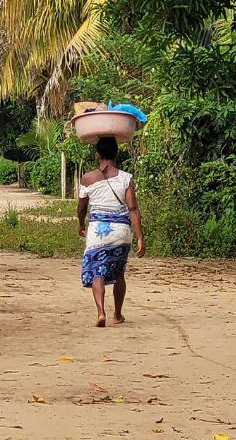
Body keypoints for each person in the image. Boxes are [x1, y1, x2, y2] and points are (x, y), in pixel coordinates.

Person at [76, 136, 146, 328]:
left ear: (97, 154)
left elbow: (82, 207)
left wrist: (81, 223)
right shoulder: (126, 178)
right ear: (116, 153)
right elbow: (133, 209)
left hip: (98, 231)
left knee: (97, 270)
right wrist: (140, 236)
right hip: (121, 232)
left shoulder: (87, 178)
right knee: (119, 272)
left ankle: (101, 312)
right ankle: (118, 314)